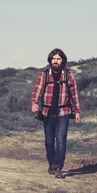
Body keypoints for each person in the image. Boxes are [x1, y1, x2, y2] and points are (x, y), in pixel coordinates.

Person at [30, 48, 81, 179]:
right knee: (48, 141)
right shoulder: (44, 75)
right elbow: (37, 91)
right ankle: (52, 164)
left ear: (63, 60)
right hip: (47, 112)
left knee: (61, 140)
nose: (56, 61)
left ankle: (58, 167)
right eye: (54, 59)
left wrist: (77, 111)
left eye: (58, 59)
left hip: (64, 112)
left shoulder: (68, 75)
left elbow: (74, 94)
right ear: (50, 60)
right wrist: (34, 103)